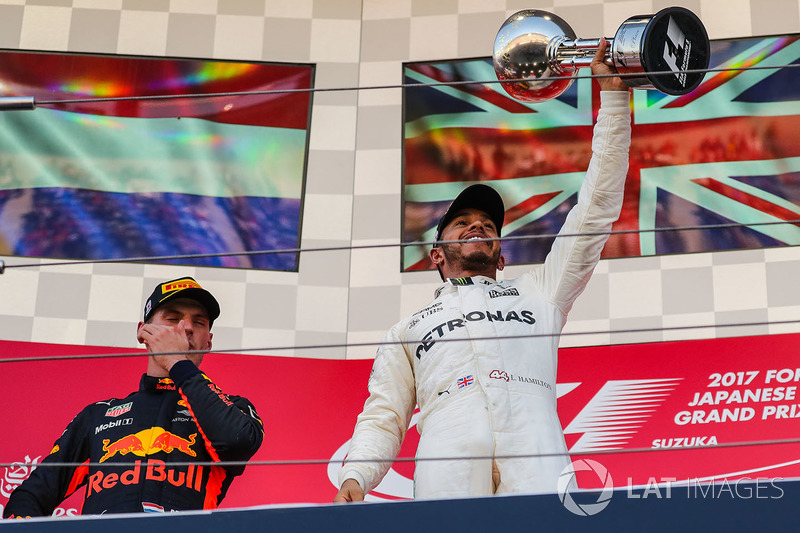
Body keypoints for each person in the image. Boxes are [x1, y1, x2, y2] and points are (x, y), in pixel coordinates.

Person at [335, 39, 631, 501]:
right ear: (436, 254)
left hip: (538, 452)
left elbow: (594, 213)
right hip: (446, 455)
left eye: (487, 224)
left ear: (501, 254)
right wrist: (356, 479)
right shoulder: (407, 330)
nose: (477, 225)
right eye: (462, 222)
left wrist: (613, 100)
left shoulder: (540, 293)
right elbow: (384, 417)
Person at [3, 277, 264, 517]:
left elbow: (236, 443)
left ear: (208, 341)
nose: (185, 329)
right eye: (172, 319)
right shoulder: (98, 415)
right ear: (143, 331)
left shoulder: (232, 408)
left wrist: (176, 362)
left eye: (199, 322)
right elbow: (29, 497)